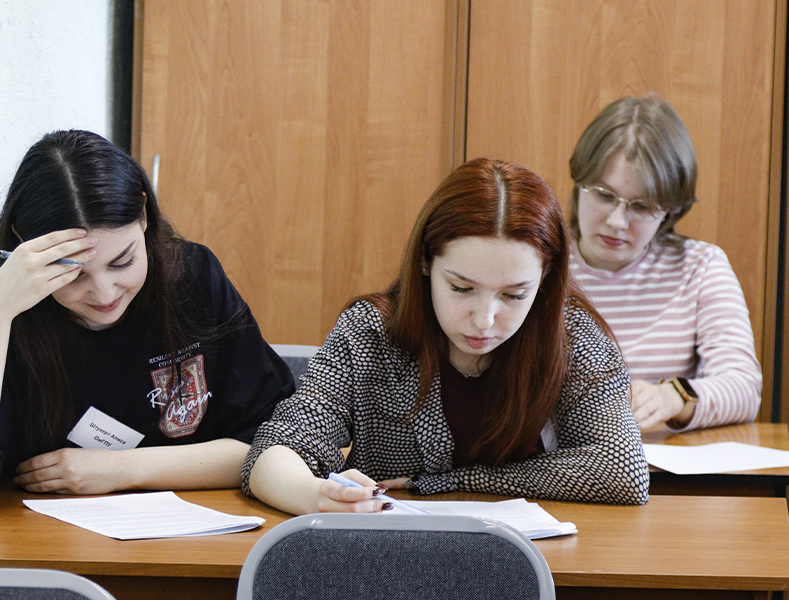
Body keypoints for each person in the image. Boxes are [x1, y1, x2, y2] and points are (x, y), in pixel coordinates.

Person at [0, 130, 295, 515]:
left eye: (123, 262)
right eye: (73, 275)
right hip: (39, 543)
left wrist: (122, 470)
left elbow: (279, 444)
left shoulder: (191, 279)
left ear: (143, 216)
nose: (105, 293)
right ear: (24, 248)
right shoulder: (1, 314)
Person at [242, 158, 649, 515]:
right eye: (461, 288)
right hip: (385, 555)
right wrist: (315, 494)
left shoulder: (570, 336)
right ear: (425, 261)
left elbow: (623, 470)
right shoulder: (370, 333)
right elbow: (276, 449)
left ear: (544, 278)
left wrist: (460, 481)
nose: (484, 320)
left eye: (514, 295)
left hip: (529, 559)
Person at [568, 95, 762, 431]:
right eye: (603, 194)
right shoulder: (539, 262)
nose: (617, 221)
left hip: (662, 457)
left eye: (642, 207)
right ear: (579, 184)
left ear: (670, 212)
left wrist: (674, 397)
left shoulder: (701, 267)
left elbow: (744, 388)